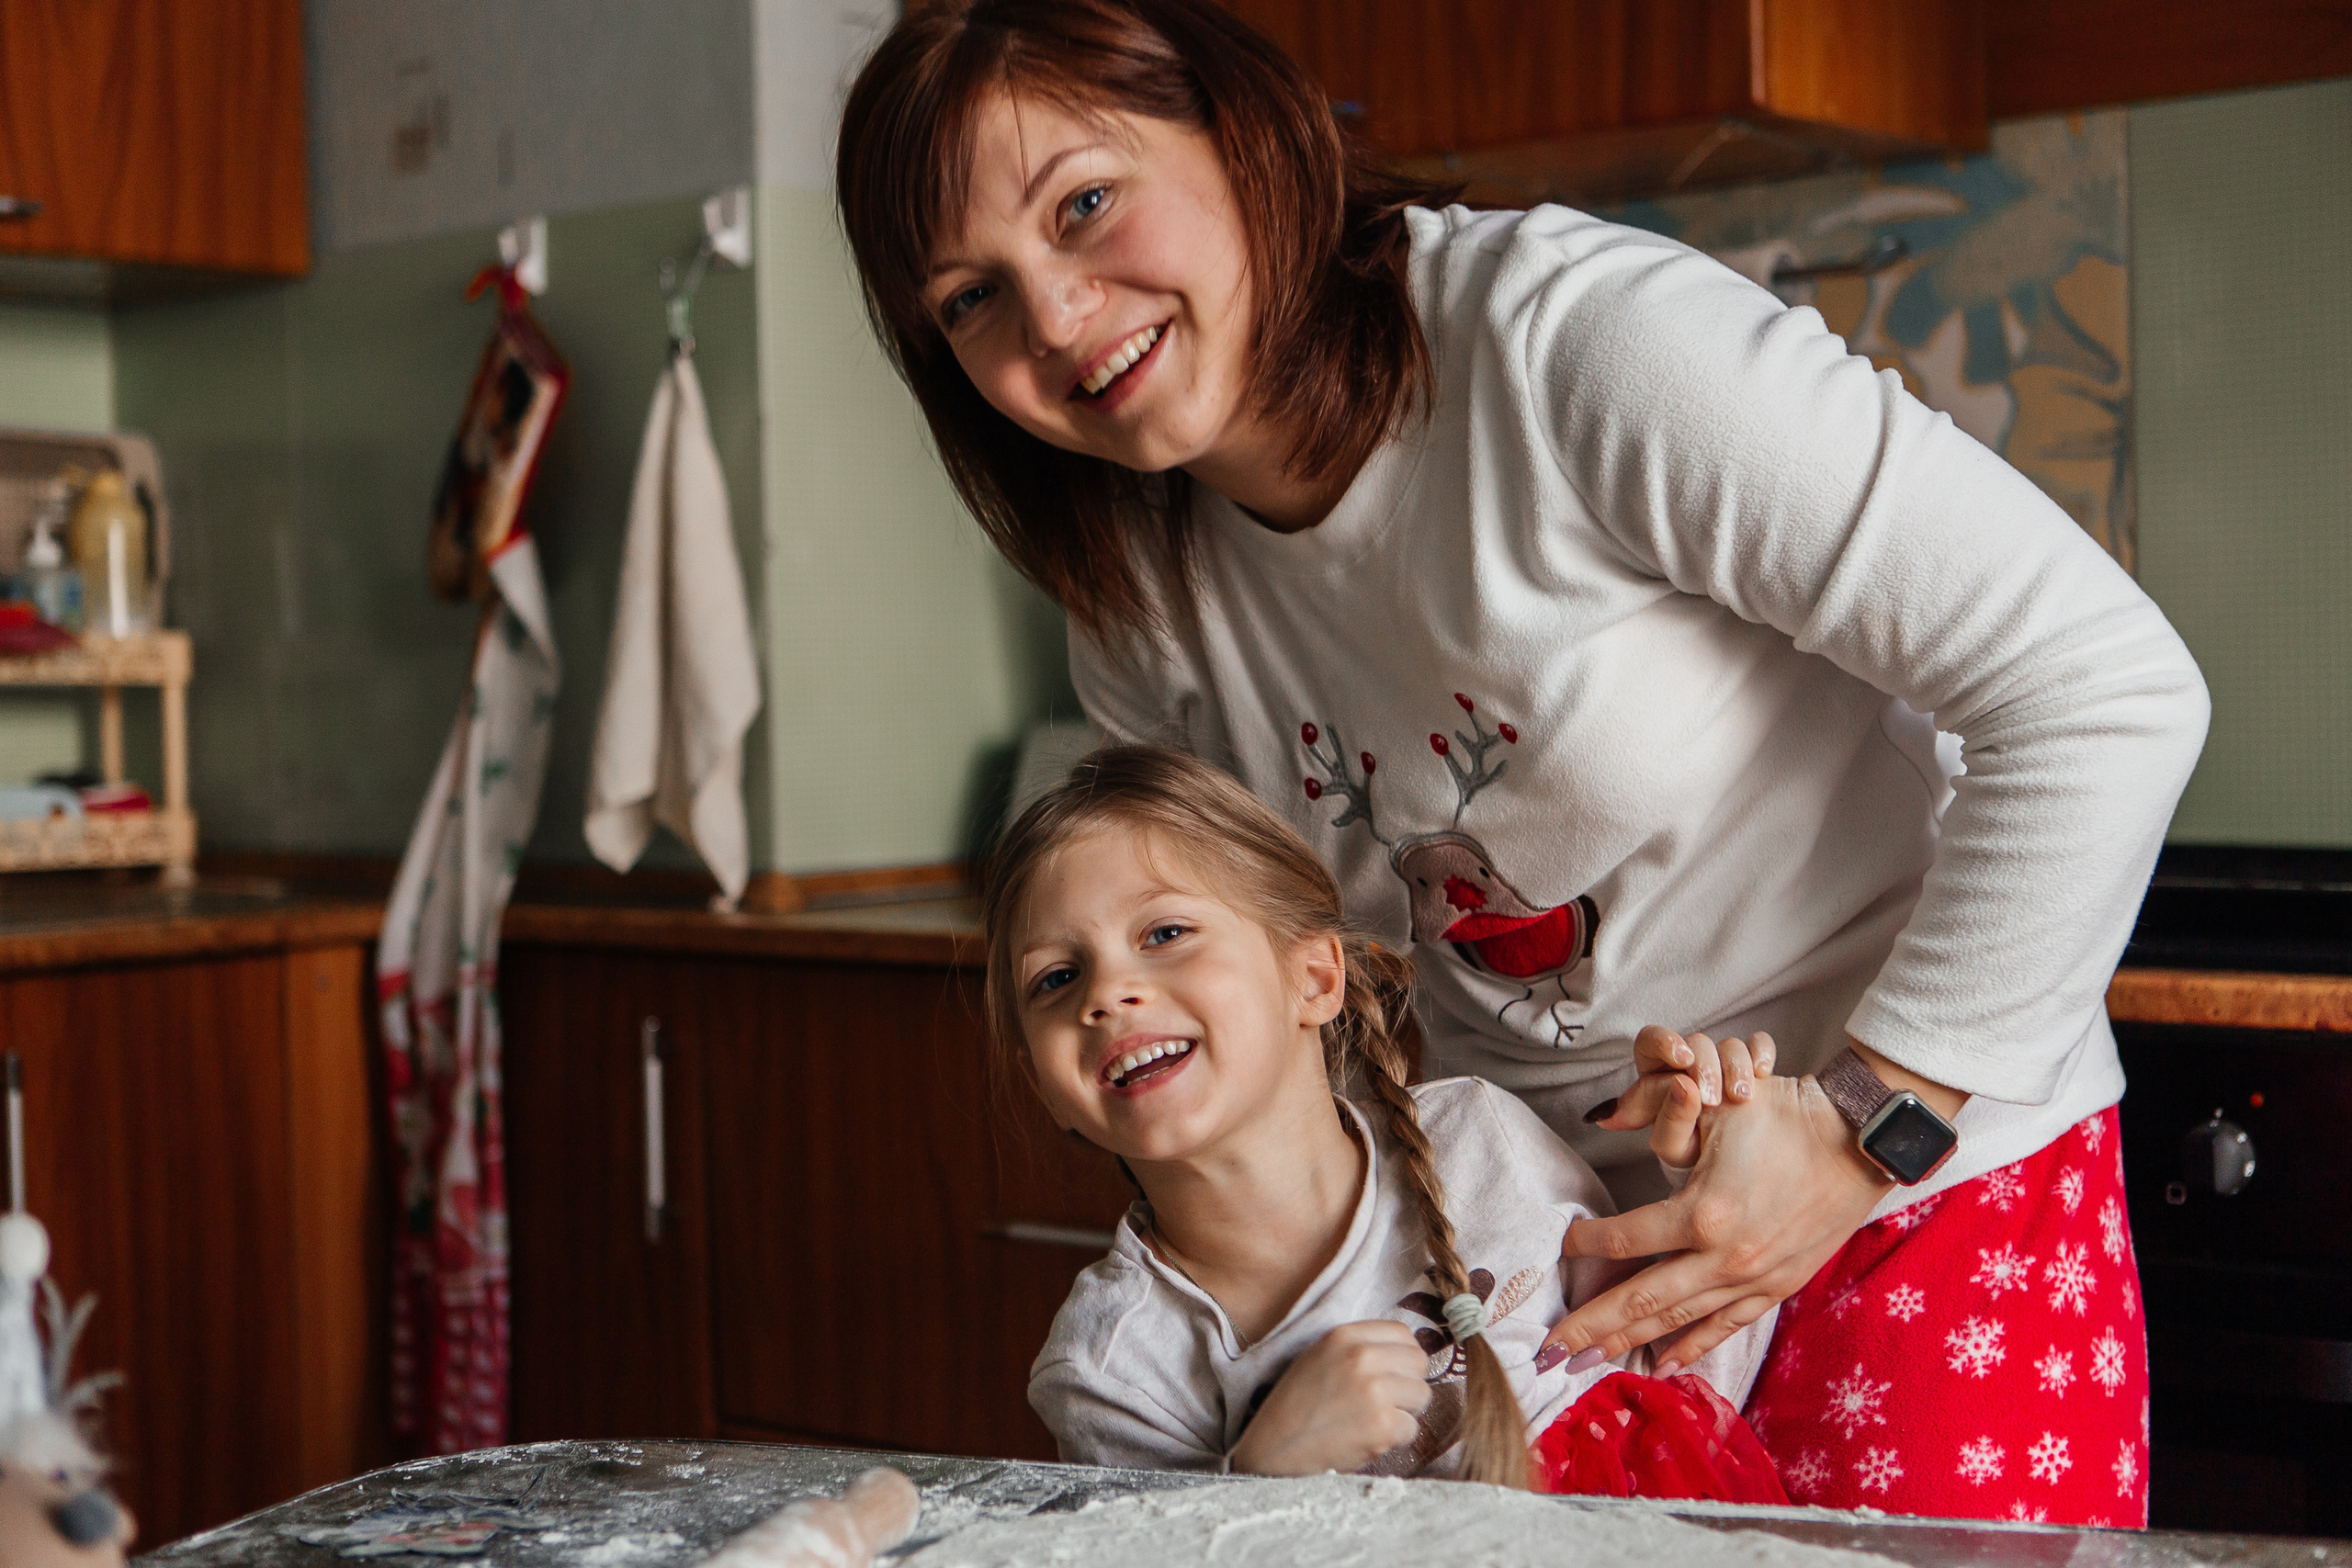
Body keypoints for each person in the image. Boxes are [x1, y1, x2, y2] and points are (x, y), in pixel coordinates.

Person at [837, 0, 2208, 1525]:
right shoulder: (1145, 608)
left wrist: (1860, 1133)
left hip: (1920, 1187)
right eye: (970, 298)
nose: (1057, 316)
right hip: (1544, 1280)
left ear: (1240, 127)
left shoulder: (1578, 348)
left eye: (1084, 202)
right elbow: (1302, 1008)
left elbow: (2102, 686)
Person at [990, 742, 1785, 1498]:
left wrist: (1714, 1161)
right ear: (1048, 1087)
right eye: (1056, 977)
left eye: (1164, 933)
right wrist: (1261, 1469)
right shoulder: (1107, 1367)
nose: (1106, 993)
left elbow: (1668, 1372)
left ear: (1313, 976)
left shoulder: (1481, 1141)